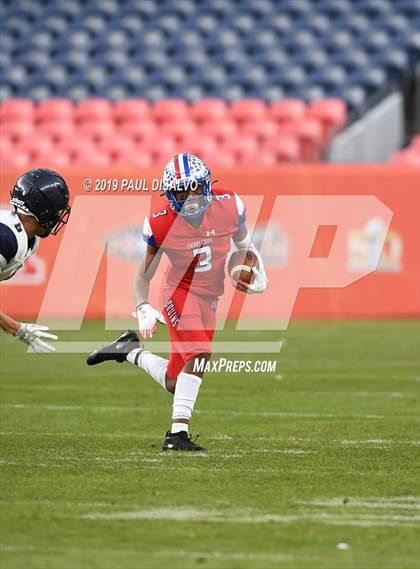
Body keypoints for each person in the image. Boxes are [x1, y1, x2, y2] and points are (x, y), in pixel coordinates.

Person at [87, 153, 267, 451]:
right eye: (181, 191)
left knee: (175, 380)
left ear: (206, 186)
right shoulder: (161, 223)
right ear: (170, 194)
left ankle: (129, 351)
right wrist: (143, 305)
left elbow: (244, 246)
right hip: (179, 291)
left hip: (210, 294)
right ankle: (177, 435)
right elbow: (143, 276)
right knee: (200, 354)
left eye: (195, 187)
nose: (190, 197)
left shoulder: (229, 206)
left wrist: (253, 268)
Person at [0, 168, 71, 353]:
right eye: (57, 210)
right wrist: (16, 328)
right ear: (45, 210)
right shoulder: (7, 238)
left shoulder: (28, 240)